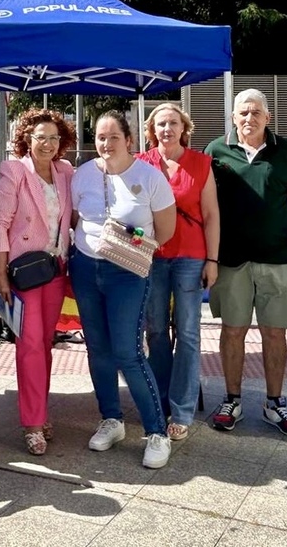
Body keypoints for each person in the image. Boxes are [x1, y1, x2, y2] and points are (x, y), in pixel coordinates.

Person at [204, 89, 287, 437]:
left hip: (277, 260)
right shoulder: (215, 151)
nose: (249, 118)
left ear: (268, 117)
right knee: (233, 331)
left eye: (256, 112)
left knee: (274, 332)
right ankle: (232, 399)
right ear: (233, 117)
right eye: (243, 113)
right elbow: (206, 204)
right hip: (231, 260)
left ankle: (275, 403)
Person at [70, 111, 177, 469]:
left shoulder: (149, 176)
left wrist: (133, 240)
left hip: (128, 272)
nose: (105, 143)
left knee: (128, 351)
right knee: (97, 347)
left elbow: (165, 231)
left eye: (113, 136)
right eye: (100, 137)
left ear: (128, 140)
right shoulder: (83, 174)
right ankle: (111, 419)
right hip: (86, 268)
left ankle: (156, 431)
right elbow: (74, 220)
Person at [0, 109, 76, 455]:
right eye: (41, 137)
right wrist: (0, 274)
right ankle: (32, 422)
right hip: (23, 271)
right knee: (27, 344)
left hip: (55, 269)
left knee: (44, 343)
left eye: (54, 138)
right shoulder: (14, 170)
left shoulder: (66, 172)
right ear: (26, 138)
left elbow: (74, 217)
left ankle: (40, 410)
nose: (48, 144)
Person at [136, 103, 220, 441]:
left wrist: (212, 261)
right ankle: (160, 403)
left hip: (190, 256)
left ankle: (182, 410)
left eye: (172, 123)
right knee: (155, 331)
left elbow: (212, 215)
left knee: (187, 333)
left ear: (184, 127)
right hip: (153, 256)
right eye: (160, 124)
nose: (166, 129)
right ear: (151, 130)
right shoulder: (141, 164)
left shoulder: (201, 163)